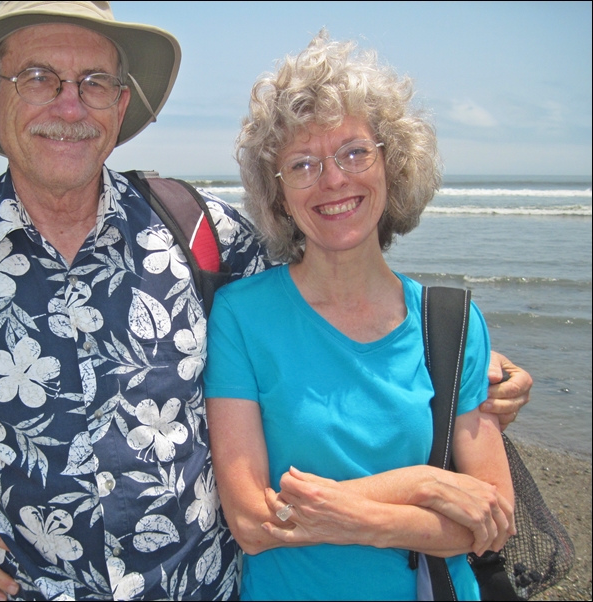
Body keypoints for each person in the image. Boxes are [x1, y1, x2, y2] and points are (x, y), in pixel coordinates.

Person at [0, 4, 530, 601]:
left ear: (121, 105)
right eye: (40, 78)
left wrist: (465, 362)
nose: (70, 106)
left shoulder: (199, 231)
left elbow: (329, 279)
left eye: (95, 84)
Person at [204, 32, 515, 600]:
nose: (333, 180)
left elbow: (492, 518)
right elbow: (251, 522)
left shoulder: (450, 323)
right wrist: (422, 485)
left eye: (353, 152)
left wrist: (349, 515)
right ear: (277, 197)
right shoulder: (241, 317)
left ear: (391, 165)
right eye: (302, 163)